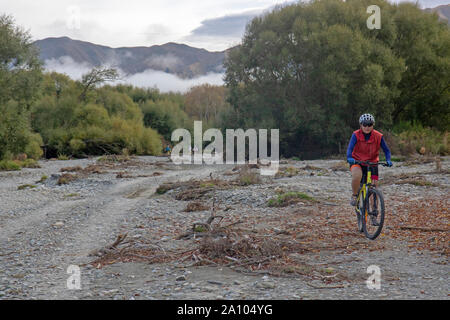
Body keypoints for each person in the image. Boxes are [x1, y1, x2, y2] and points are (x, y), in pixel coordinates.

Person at [347, 114, 393, 206]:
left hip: (372, 163)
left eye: (370, 124)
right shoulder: (355, 135)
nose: (367, 127)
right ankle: (355, 195)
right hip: (357, 161)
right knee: (356, 176)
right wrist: (349, 158)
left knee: (374, 186)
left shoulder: (378, 136)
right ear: (361, 125)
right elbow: (350, 148)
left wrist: (388, 160)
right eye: (365, 124)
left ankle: (374, 212)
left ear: (373, 125)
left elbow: (386, 150)